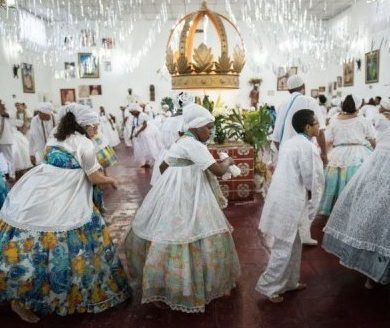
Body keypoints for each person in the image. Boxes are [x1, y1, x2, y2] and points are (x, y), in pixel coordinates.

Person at [0, 103, 130, 323]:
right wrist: (111, 179)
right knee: (77, 242)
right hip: (67, 198)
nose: (96, 131)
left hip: (39, 190)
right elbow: (93, 177)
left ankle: (22, 297)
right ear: (84, 126)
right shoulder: (85, 144)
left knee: (33, 242)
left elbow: (44, 158)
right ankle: (63, 295)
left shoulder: (55, 137)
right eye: (93, 127)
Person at [124, 102, 240, 313]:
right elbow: (218, 171)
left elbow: (162, 166)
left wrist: (171, 183)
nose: (211, 132)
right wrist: (229, 160)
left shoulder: (182, 141)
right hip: (191, 193)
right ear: (195, 126)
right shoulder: (194, 145)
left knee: (172, 229)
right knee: (195, 229)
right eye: (208, 127)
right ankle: (193, 286)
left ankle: (168, 283)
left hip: (174, 191)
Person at [256, 109, 324, 303]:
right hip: (290, 201)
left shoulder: (292, 142)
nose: (319, 126)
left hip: (283, 196)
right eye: (316, 122)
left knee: (294, 244)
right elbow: (311, 176)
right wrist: (314, 197)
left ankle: (289, 282)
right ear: (307, 127)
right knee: (283, 247)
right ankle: (268, 287)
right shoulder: (306, 147)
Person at [322, 101, 390, 290]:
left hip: (375, 170)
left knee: (374, 217)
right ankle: (373, 271)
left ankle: (373, 272)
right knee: (375, 218)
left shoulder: (377, 119)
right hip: (377, 170)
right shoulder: (378, 119)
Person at [272, 75, 327, 245]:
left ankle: (295, 231)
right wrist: (324, 153)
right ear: (304, 85)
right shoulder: (309, 101)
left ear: (288, 89)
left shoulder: (282, 104)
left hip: (287, 153)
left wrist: (284, 154)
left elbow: (275, 137)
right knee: (312, 190)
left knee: (293, 192)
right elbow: (321, 129)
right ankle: (303, 232)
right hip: (304, 151)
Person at [319, 95, 375, 216]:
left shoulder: (335, 121)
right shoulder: (363, 120)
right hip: (360, 154)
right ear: (358, 105)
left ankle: (337, 212)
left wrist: (324, 156)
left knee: (336, 183)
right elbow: (372, 139)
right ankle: (356, 212)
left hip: (338, 154)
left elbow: (328, 141)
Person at [124, 103, 162, 167]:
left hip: (146, 132)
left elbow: (145, 125)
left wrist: (138, 132)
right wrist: (131, 134)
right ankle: (146, 162)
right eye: (130, 113)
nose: (131, 114)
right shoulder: (133, 117)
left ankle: (155, 161)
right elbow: (133, 126)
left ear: (136, 110)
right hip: (139, 133)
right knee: (142, 148)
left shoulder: (143, 115)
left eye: (132, 112)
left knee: (149, 146)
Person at [0, 100, 16, 180]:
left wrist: (3, 112)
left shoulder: (8, 113)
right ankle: (3, 175)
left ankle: (12, 175)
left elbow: (8, 115)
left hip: (6, 140)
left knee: (9, 158)